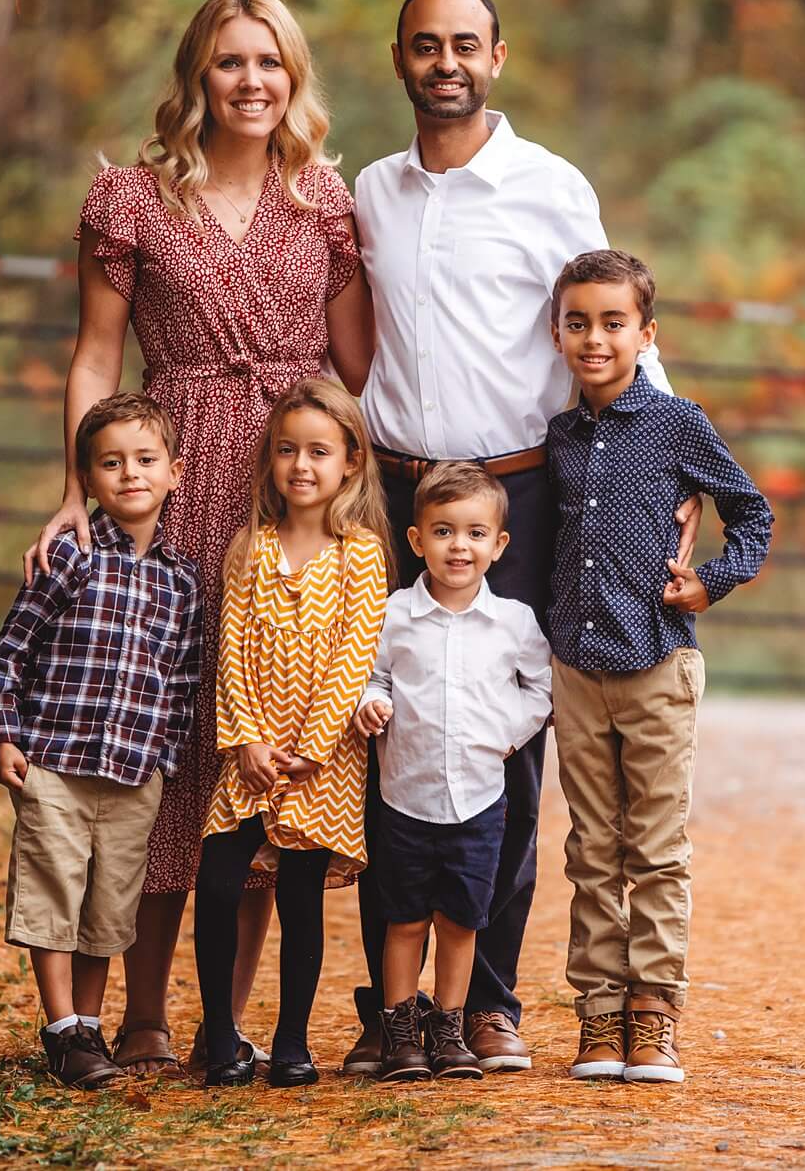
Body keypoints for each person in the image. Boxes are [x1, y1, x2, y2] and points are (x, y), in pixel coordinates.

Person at [344, 0, 697, 1075]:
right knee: (388, 732)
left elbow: (609, 314)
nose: (443, 62)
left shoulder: (548, 185)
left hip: (522, 496)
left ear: (498, 55)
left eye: (464, 45)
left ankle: (485, 1000)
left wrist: (668, 471)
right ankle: (393, 1010)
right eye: (423, 46)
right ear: (397, 58)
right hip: (397, 492)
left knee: (506, 738)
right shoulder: (369, 190)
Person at [26, 0, 374, 1074]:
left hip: (286, 488)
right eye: (230, 62)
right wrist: (76, 491)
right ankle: (140, 1013)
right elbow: (94, 354)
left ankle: (229, 1016)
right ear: (197, 76)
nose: (252, 82)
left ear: (294, 76)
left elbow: (358, 367)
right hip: (166, 478)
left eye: (270, 62)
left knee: (260, 736)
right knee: (164, 738)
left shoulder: (322, 199)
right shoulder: (130, 199)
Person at [545, 249, 774, 1084]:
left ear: (647, 333)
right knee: (591, 845)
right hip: (577, 665)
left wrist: (710, 581)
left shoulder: (678, 423)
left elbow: (752, 511)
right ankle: (600, 1016)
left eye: (613, 323)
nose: (595, 338)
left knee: (658, 847)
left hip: (656, 663)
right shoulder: (559, 435)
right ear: (559, 332)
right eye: (579, 323)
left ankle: (655, 1018)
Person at [0, 393, 204, 1089]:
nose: (130, 474)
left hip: (135, 774)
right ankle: (61, 1029)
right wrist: (5, 735)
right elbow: (10, 654)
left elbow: (183, 680)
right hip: (56, 761)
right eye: (111, 462)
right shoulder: (69, 558)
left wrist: (164, 760)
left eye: (145, 460)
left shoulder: (183, 580)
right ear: (89, 476)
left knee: (108, 905)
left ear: (176, 472)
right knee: (53, 890)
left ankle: (90, 1024)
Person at [191, 379, 390, 1088]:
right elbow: (231, 650)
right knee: (216, 883)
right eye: (286, 450)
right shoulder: (250, 547)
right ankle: (220, 1037)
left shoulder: (360, 554)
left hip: (322, 762)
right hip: (249, 758)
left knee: (300, 901)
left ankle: (292, 1042)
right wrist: (245, 741)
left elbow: (353, 655)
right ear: (270, 461)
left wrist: (309, 746)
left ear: (350, 463)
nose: (301, 465)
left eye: (318, 451)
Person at [351, 461, 552, 1083]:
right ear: (416, 542)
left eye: (473, 533)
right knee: (404, 919)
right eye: (442, 531)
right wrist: (370, 703)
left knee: (462, 920)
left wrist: (504, 737)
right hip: (405, 798)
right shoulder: (394, 616)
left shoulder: (513, 622)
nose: (458, 546)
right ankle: (398, 1026)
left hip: (478, 800)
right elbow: (372, 676)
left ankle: (449, 1025)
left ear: (499, 544)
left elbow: (540, 692)